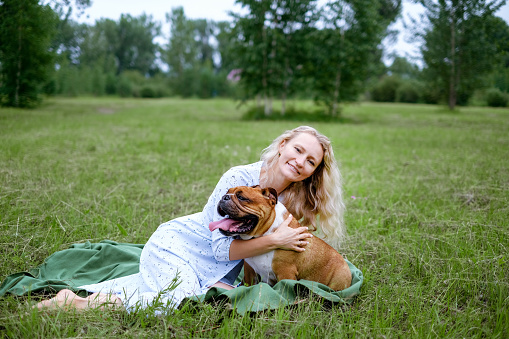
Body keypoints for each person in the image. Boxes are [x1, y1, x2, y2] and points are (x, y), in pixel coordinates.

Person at [36, 126, 346, 312]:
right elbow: (220, 249)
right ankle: (76, 304)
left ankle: (95, 299)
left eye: (311, 161)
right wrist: (276, 239)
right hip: (181, 245)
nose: (300, 162)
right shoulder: (240, 178)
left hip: (213, 273)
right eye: (297, 149)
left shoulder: (294, 197)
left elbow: (289, 255)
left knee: (181, 299)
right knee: (176, 302)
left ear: (314, 170)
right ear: (282, 145)